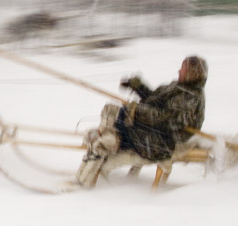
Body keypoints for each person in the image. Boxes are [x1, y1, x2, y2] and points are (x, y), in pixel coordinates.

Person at [75, 55, 208, 188]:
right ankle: (105, 139)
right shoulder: (179, 87)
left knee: (118, 118)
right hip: (155, 132)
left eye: (183, 69)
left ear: (192, 74)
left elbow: (166, 119)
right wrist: (138, 87)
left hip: (163, 142)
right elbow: (154, 100)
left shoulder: (189, 98)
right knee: (113, 111)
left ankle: (103, 149)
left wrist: (136, 111)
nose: (179, 71)